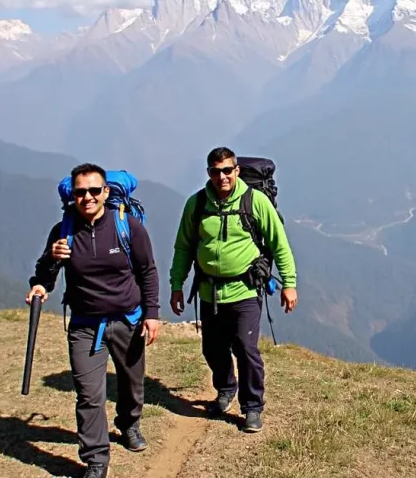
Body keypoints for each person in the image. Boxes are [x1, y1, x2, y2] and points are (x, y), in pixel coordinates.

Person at [27, 163, 161, 478]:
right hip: (85, 326)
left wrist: (152, 314)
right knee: (89, 394)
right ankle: (96, 459)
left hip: (128, 321)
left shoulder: (127, 226)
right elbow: (46, 272)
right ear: (72, 196)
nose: (87, 197)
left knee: (131, 383)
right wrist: (43, 276)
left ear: (105, 192)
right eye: (80, 192)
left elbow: (148, 272)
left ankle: (129, 424)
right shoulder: (63, 232)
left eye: (93, 191)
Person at [169, 147, 298, 433]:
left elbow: (279, 244)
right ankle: (226, 389)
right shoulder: (197, 204)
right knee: (212, 348)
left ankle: (252, 407)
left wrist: (289, 283)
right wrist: (176, 284)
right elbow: (184, 247)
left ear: (237, 170)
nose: (222, 176)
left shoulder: (256, 201)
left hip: (245, 290)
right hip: (208, 291)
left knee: (245, 347)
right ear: (208, 173)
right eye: (216, 171)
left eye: (227, 170)